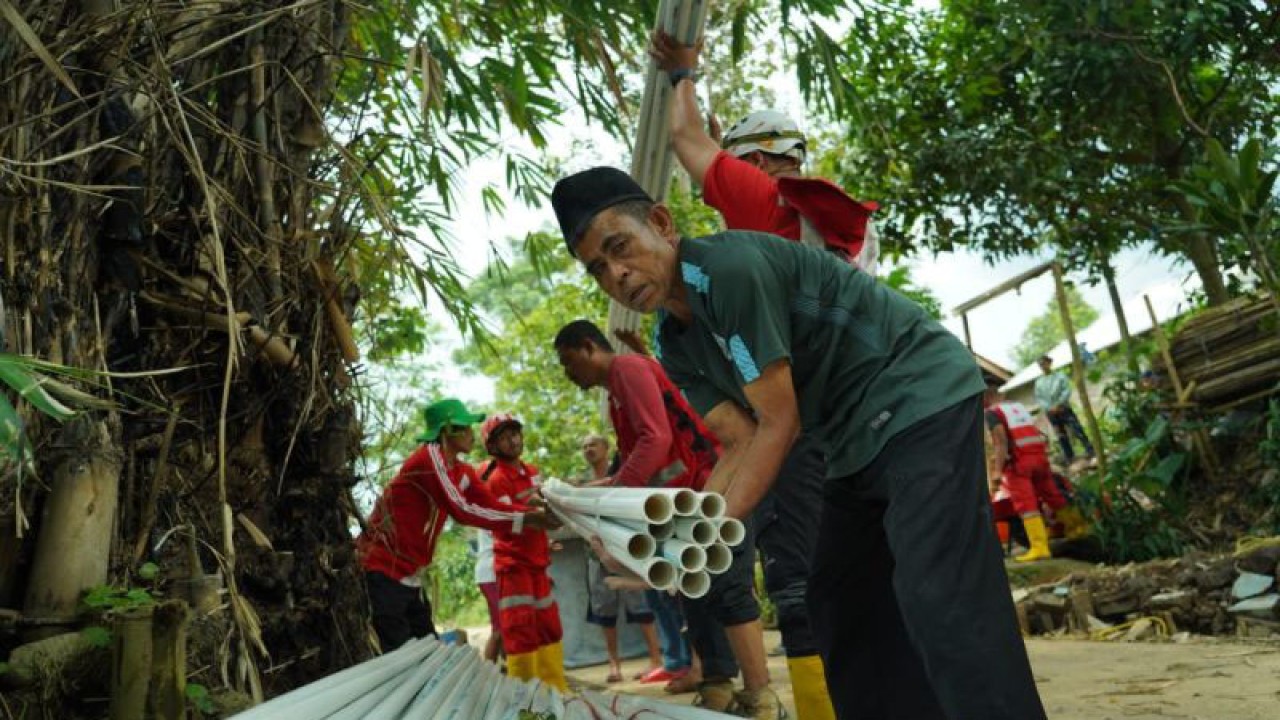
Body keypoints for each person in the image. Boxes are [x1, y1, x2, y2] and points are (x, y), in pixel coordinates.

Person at [549, 167, 1047, 720]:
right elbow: (737, 444)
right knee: (838, 600)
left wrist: (699, 538)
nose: (617, 273)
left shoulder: (727, 270)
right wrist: (671, 543)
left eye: (620, 248)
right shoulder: (672, 340)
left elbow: (776, 423)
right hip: (849, 436)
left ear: (662, 223)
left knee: (939, 592)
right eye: (598, 268)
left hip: (915, 395)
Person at [555, 319, 779, 716]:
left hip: (717, 484)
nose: (569, 373)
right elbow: (636, 460)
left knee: (727, 587)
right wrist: (585, 495)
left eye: (569, 361)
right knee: (695, 590)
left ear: (589, 347)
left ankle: (761, 695)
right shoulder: (616, 395)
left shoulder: (628, 369)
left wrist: (612, 497)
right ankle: (717, 686)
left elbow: (655, 440)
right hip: (687, 497)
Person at [356, 398, 554, 652]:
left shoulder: (461, 471)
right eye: (466, 427)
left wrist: (528, 515)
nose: (472, 434)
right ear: (448, 431)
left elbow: (489, 504)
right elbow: (461, 508)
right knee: (402, 656)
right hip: (383, 569)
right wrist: (526, 518)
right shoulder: (430, 458)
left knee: (425, 651)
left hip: (409, 573)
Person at [477, 413, 567, 692]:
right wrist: (538, 517)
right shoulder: (496, 480)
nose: (512, 440)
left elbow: (544, 511)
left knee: (548, 627)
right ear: (492, 446)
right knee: (520, 632)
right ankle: (525, 695)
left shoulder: (531, 471)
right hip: (514, 569)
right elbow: (505, 524)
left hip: (538, 565)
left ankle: (556, 690)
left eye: (514, 433)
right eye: (504, 437)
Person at [577, 433, 669, 684]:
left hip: (626, 548)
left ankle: (656, 660)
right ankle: (614, 666)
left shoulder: (622, 470)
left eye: (593, 444)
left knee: (642, 605)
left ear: (606, 448)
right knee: (604, 610)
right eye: (585, 447)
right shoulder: (581, 480)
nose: (588, 450)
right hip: (595, 552)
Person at [984, 384, 1067, 562]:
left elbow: (1000, 441)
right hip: (1039, 458)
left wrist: (997, 470)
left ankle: (1039, 547)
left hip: (1019, 463)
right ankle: (1076, 528)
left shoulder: (992, 413)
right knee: (1053, 496)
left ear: (985, 397)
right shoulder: (1017, 407)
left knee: (1026, 505)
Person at [1034, 355, 1096, 464]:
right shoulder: (1039, 382)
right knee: (1060, 434)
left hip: (1063, 408)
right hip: (1051, 412)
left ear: (1049, 363)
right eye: (1040, 365)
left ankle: (1090, 451)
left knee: (1077, 429)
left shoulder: (1060, 376)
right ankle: (1069, 456)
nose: (1043, 366)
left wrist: (1058, 404)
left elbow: (1066, 390)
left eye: (1044, 363)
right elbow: (1039, 398)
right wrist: (1049, 408)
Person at [473, 526, 502, 662]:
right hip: (490, 574)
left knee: (504, 626)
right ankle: (488, 667)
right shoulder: (494, 511)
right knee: (500, 628)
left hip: (494, 573)